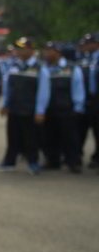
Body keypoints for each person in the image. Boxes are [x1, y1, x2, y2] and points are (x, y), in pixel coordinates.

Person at [0, 37, 50, 175]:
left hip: (30, 110)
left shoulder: (39, 68)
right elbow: (8, 88)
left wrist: (40, 111)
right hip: (14, 109)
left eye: (22, 49)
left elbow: (44, 91)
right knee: (13, 137)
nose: (19, 52)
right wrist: (5, 104)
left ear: (31, 50)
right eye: (18, 49)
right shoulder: (14, 66)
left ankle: (33, 163)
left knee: (31, 138)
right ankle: (9, 162)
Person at [39, 41, 85, 172]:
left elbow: (78, 88)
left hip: (66, 109)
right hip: (49, 109)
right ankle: (53, 161)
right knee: (49, 137)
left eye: (49, 51)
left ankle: (73, 162)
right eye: (45, 51)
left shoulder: (71, 68)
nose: (46, 53)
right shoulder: (43, 68)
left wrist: (78, 106)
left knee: (70, 138)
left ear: (58, 53)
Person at [79, 32, 99, 168]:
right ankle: (77, 156)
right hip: (88, 98)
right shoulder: (86, 58)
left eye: (89, 43)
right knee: (82, 128)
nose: (86, 46)